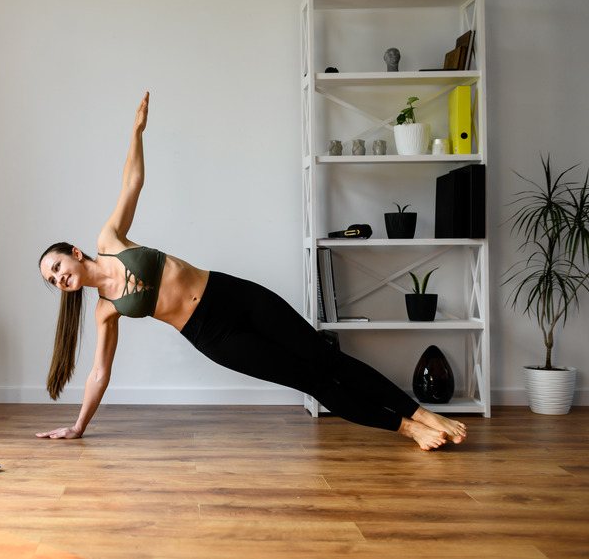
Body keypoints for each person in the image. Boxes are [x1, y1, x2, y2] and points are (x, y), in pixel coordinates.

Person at [35, 92, 466, 450]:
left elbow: (132, 184)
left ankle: (421, 411)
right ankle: (407, 428)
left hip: (232, 294)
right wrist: (78, 427)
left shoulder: (109, 241)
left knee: (325, 356)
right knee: (312, 380)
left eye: (57, 267)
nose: (60, 278)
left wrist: (136, 132)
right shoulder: (105, 310)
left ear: (74, 252)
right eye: (53, 281)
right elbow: (99, 373)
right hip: (214, 336)